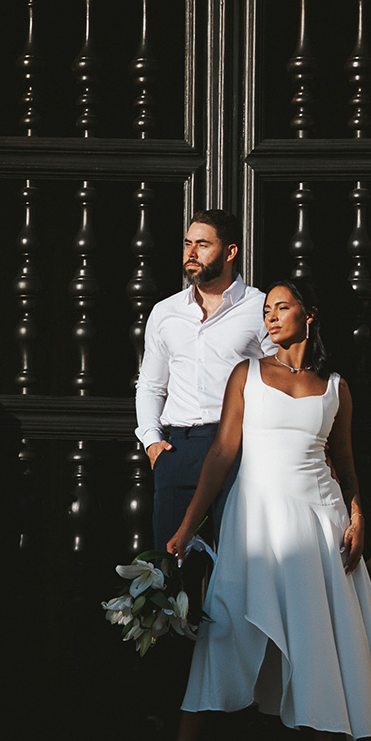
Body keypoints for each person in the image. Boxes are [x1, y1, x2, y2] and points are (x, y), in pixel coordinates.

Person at [154, 279, 371, 741]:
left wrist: (358, 515)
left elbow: (345, 461)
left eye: (281, 308)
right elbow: (222, 454)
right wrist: (186, 526)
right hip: (255, 522)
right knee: (222, 634)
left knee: (320, 640)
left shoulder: (335, 386)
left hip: (318, 521)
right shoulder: (245, 375)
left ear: (309, 315)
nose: (270, 318)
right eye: (265, 309)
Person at [135, 209, 274, 552]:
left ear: (230, 252)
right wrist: (153, 443)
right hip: (178, 448)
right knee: (170, 569)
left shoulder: (260, 308)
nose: (191, 253)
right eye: (187, 244)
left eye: (202, 244)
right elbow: (151, 385)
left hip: (239, 449)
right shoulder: (165, 312)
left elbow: (277, 383)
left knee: (236, 565)